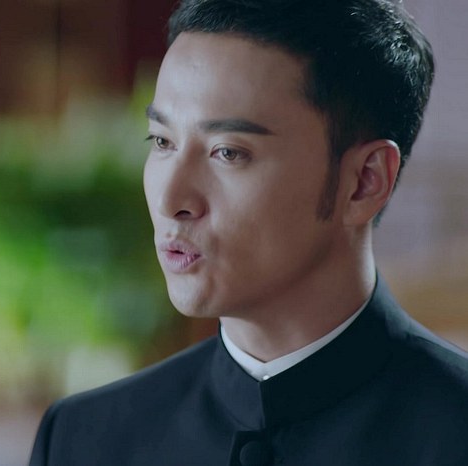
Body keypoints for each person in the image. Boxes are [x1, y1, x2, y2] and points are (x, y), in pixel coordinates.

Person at [28, 0, 468, 465]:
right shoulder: (83, 440)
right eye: (162, 141)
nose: (171, 200)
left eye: (228, 152)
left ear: (364, 181)